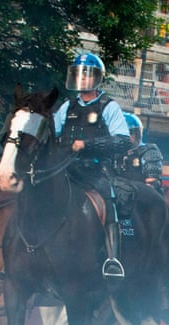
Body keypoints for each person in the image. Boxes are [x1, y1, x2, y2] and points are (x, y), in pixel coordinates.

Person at [54, 51, 131, 279]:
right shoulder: (66, 107)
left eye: (87, 74)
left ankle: (112, 258)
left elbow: (122, 140)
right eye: (79, 74)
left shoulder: (108, 106)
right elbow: (53, 134)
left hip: (96, 170)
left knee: (109, 197)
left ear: (97, 78)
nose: (83, 78)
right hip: (66, 169)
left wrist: (87, 145)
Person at [118, 113, 165, 194]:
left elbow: (152, 184)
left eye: (132, 133)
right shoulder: (115, 154)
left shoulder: (148, 151)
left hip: (141, 195)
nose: (130, 137)